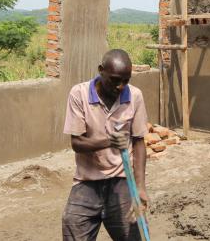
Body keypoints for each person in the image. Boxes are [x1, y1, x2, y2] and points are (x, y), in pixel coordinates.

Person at [62, 49, 148, 241]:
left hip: (121, 180)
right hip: (87, 182)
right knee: (72, 227)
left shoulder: (134, 96)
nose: (120, 86)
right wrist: (109, 142)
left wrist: (140, 188)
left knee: (134, 233)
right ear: (101, 70)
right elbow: (77, 143)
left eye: (126, 80)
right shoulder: (79, 94)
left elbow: (139, 142)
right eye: (115, 80)